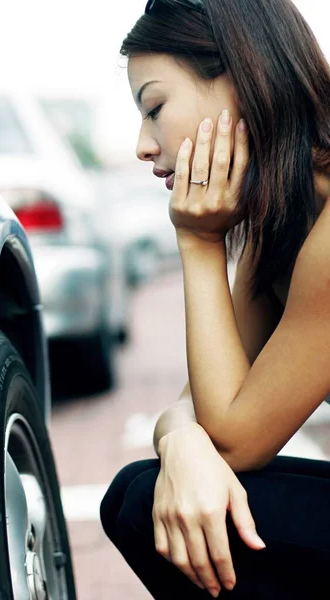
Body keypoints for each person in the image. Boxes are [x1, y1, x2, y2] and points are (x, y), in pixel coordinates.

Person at [99, 0, 330, 598]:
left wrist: (199, 242)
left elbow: (234, 439)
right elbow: (198, 411)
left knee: (152, 501)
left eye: (155, 108)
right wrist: (179, 441)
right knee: (141, 495)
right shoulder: (290, 217)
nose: (143, 146)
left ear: (241, 76)